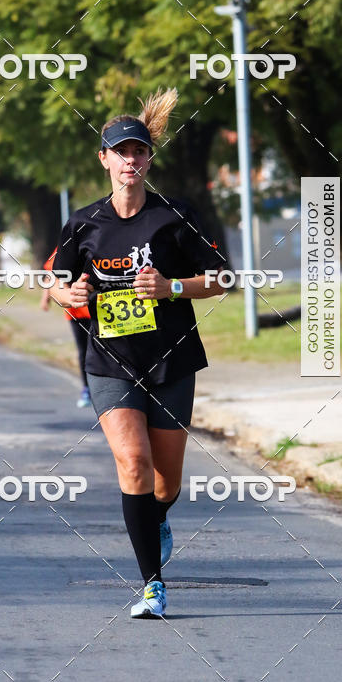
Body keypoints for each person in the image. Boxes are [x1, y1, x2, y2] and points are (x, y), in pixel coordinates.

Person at [50, 88, 225, 619]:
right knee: (134, 463)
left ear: (150, 159)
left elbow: (221, 279)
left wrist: (171, 288)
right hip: (111, 364)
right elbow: (55, 279)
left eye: (140, 151)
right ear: (103, 159)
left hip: (172, 360)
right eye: (121, 151)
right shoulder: (84, 223)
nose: (132, 160)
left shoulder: (175, 217)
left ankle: (160, 517)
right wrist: (68, 294)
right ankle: (152, 584)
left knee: (166, 482)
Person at [41, 248, 92, 408]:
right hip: (76, 311)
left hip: (100, 310)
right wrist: (46, 298)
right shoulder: (68, 244)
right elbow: (51, 275)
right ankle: (86, 389)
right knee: (84, 351)